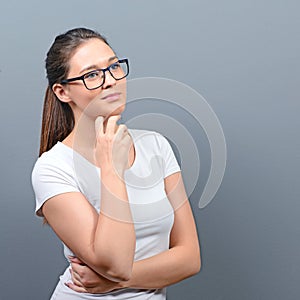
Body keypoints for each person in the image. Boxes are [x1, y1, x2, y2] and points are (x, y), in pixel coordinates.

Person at [31, 27, 200, 299]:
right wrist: (112, 170)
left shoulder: (155, 145)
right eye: (92, 75)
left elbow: (190, 258)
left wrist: (115, 281)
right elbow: (115, 263)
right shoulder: (53, 169)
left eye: (114, 67)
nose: (110, 81)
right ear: (63, 92)